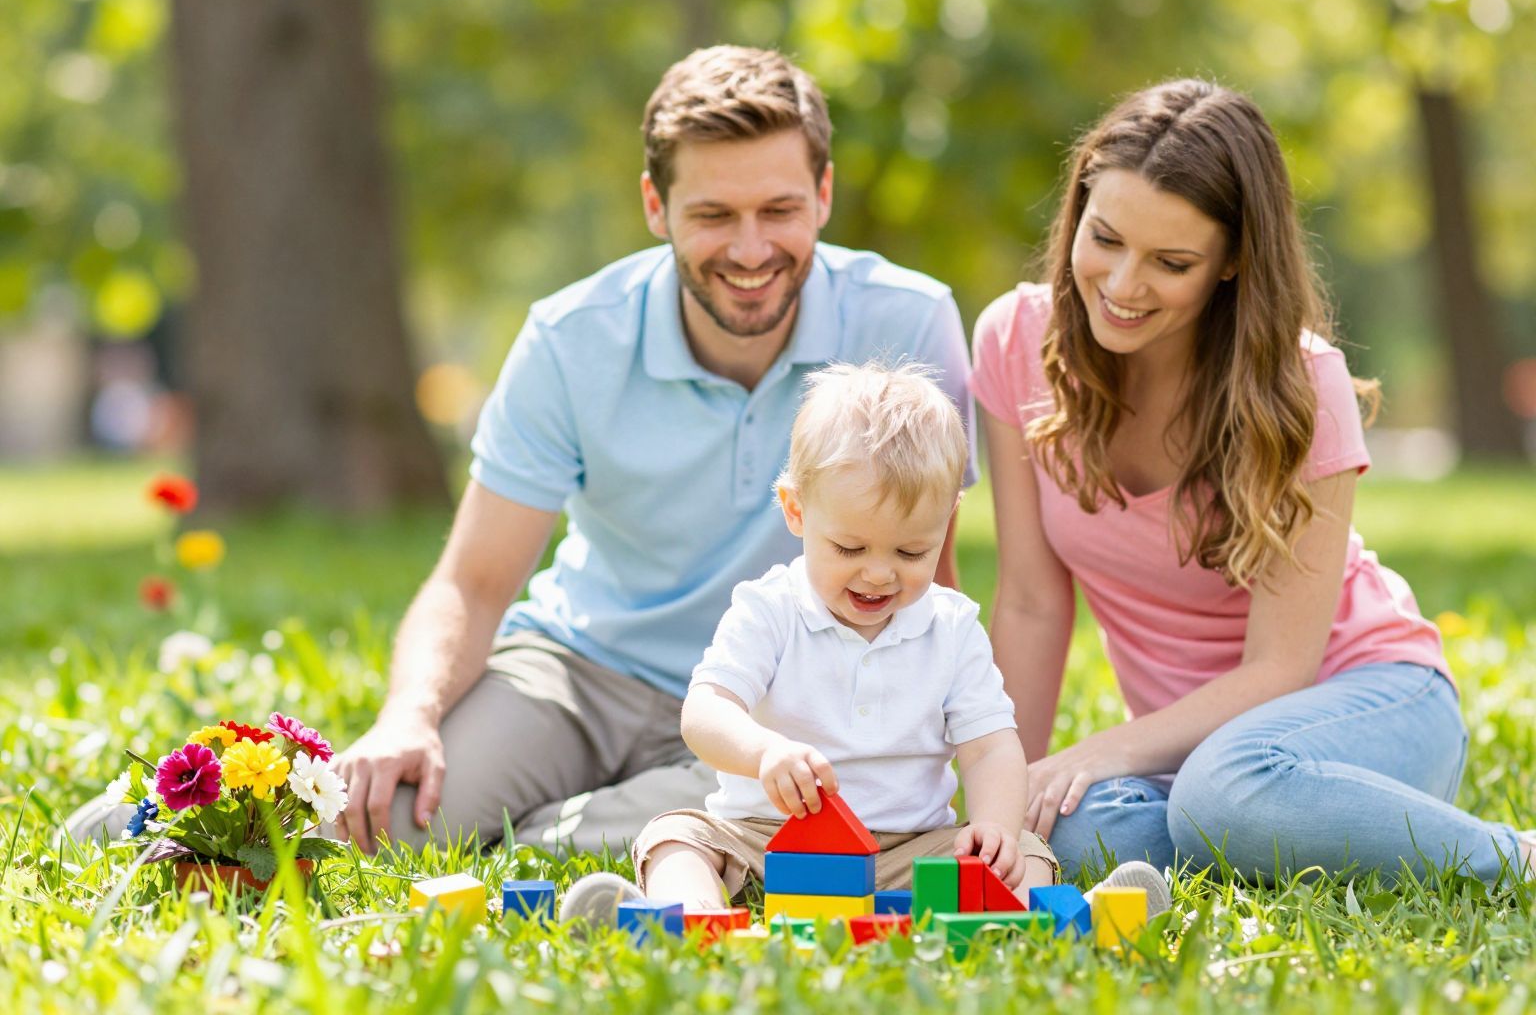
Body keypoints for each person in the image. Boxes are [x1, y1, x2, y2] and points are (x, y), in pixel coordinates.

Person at [319, 47, 976, 855]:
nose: (748, 249)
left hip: (780, 697)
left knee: (777, 831)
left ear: (825, 195)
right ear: (655, 207)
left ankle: (554, 837)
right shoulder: (571, 338)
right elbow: (475, 578)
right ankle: (145, 816)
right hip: (578, 672)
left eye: (779, 210)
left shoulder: (908, 322)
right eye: (712, 215)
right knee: (390, 824)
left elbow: (928, 578)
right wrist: (410, 714)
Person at [971, 78, 1535, 883]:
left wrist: (1106, 748)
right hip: (1187, 756)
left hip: (1364, 702)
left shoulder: (1303, 386)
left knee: (1226, 791)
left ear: (1233, 261)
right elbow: (1030, 601)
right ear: (1078, 210)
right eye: (1105, 239)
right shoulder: (1015, 340)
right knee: (1073, 831)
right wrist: (1003, 813)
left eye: (1171, 262)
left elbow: (1282, 668)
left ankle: (1511, 858)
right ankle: (1280, 835)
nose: (1124, 285)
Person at [626, 362, 1058, 910]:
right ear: (796, 511)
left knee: (1025, 849)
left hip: (910, 847)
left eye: (910, 552)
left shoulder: (951, 628)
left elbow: (991, 746)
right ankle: (694, 914)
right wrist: (764, 752)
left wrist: (995, 827)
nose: (879, 574)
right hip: (768, 838)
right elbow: (704, 712)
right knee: (676, 837)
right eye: (850, 549)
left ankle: (1021, 919)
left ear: (947, 520)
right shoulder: (770, 609)